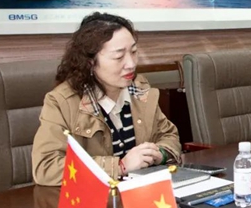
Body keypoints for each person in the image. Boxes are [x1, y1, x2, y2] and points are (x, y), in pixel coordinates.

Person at [32, 12, 182, 186]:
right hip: (93, 199)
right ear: (90, 62)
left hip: (140, 195)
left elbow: (168, 135)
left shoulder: (139, 89)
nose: (131, 64)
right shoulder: (61, 101)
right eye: (119, 57)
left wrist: (159, 154)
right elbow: (46, 167)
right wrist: (119, 166)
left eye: (134, 52)